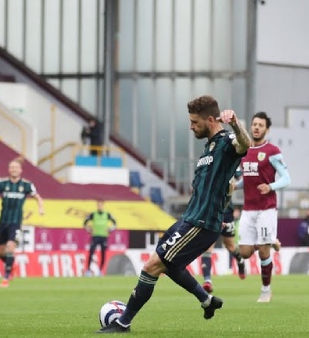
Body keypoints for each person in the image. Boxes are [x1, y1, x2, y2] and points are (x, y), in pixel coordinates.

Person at [97, 95, 251, 333]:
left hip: (201, 223)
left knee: (152, 266)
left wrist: (235, 123)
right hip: (189, 219)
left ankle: (123, 322)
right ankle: (207, 301)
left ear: (211, 120)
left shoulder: (226, 141)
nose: (190, 127)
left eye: (194, 122)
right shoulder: (208, 147)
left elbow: (245, 144)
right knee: (170, 266)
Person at [234, 111, 291, 303]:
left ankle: (266, 290)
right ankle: (269, 239)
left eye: (260, 125)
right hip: (248, 209)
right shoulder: (244, 150)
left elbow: (286, 179)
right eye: (254, 124)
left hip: (266, 208)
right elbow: (246, 178)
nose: (256, 127)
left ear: (267, 129)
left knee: (264, 252)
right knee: (244, 252)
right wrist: (235, 185)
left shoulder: (272, 151)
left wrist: (271, 186)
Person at [0, 158, 44, 288]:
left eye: (16, 167)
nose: (14, 169)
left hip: (16, 222)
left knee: (10, 246)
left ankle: (6, 277)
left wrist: (41, 208)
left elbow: (38, 197)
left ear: (20, 170)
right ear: (9, 170)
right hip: (3, 221)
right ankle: (12, 265)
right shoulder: (2, 184)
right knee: (0, 252)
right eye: (11, 167)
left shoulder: (26, 185)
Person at [201, 198, 247, 294]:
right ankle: (207, 281)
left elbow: (232, 186)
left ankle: (240, 261)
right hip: (210, 212)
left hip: (226, 212)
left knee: (230, 246)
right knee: (207, 246)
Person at [83, 200, 118, 276]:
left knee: (103, 254)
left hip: (104, 236)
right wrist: (89, 230)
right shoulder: (93, 214)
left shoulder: (107, 214)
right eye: (98, 205)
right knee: (91, 252)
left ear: (103, 206)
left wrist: (110, 229)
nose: (100, 207)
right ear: (97, 206)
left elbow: (115, 223)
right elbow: (85, 222)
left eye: (101, 205)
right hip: (95, 236)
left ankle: (100, 270)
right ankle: (88, 270)